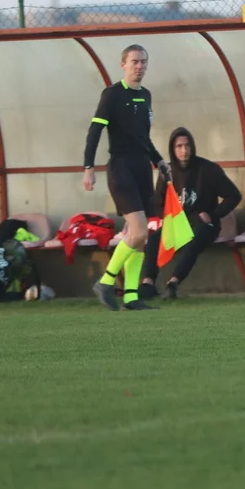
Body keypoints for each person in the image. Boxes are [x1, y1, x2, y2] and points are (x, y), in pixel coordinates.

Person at [83, 44, 170, 311]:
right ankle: (106, 282)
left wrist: (158, 161)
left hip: (143, 168)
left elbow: (142, 138)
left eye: (143, 62)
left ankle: (131, 296)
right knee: (140, 230)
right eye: (134, 62)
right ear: (123, 64)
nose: (139, 67)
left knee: (141, 237)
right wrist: (88, 167)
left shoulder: (146, 95)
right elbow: (95, 131)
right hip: (120, 168)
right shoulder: (112, 95)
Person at [139, 127, 242, 299]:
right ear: (172, 149)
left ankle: (173, 282)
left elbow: (234, 196)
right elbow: (157, 204)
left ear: (192, 147)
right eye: (179, 146)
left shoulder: (208, 169)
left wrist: (214, 214)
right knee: (155, 240)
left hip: (204, 223)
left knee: (194, 239)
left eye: (187, 146)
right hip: (178, 224)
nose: (184, 150)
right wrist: (169, 218)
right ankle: (148, 283)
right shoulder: (167, 172)